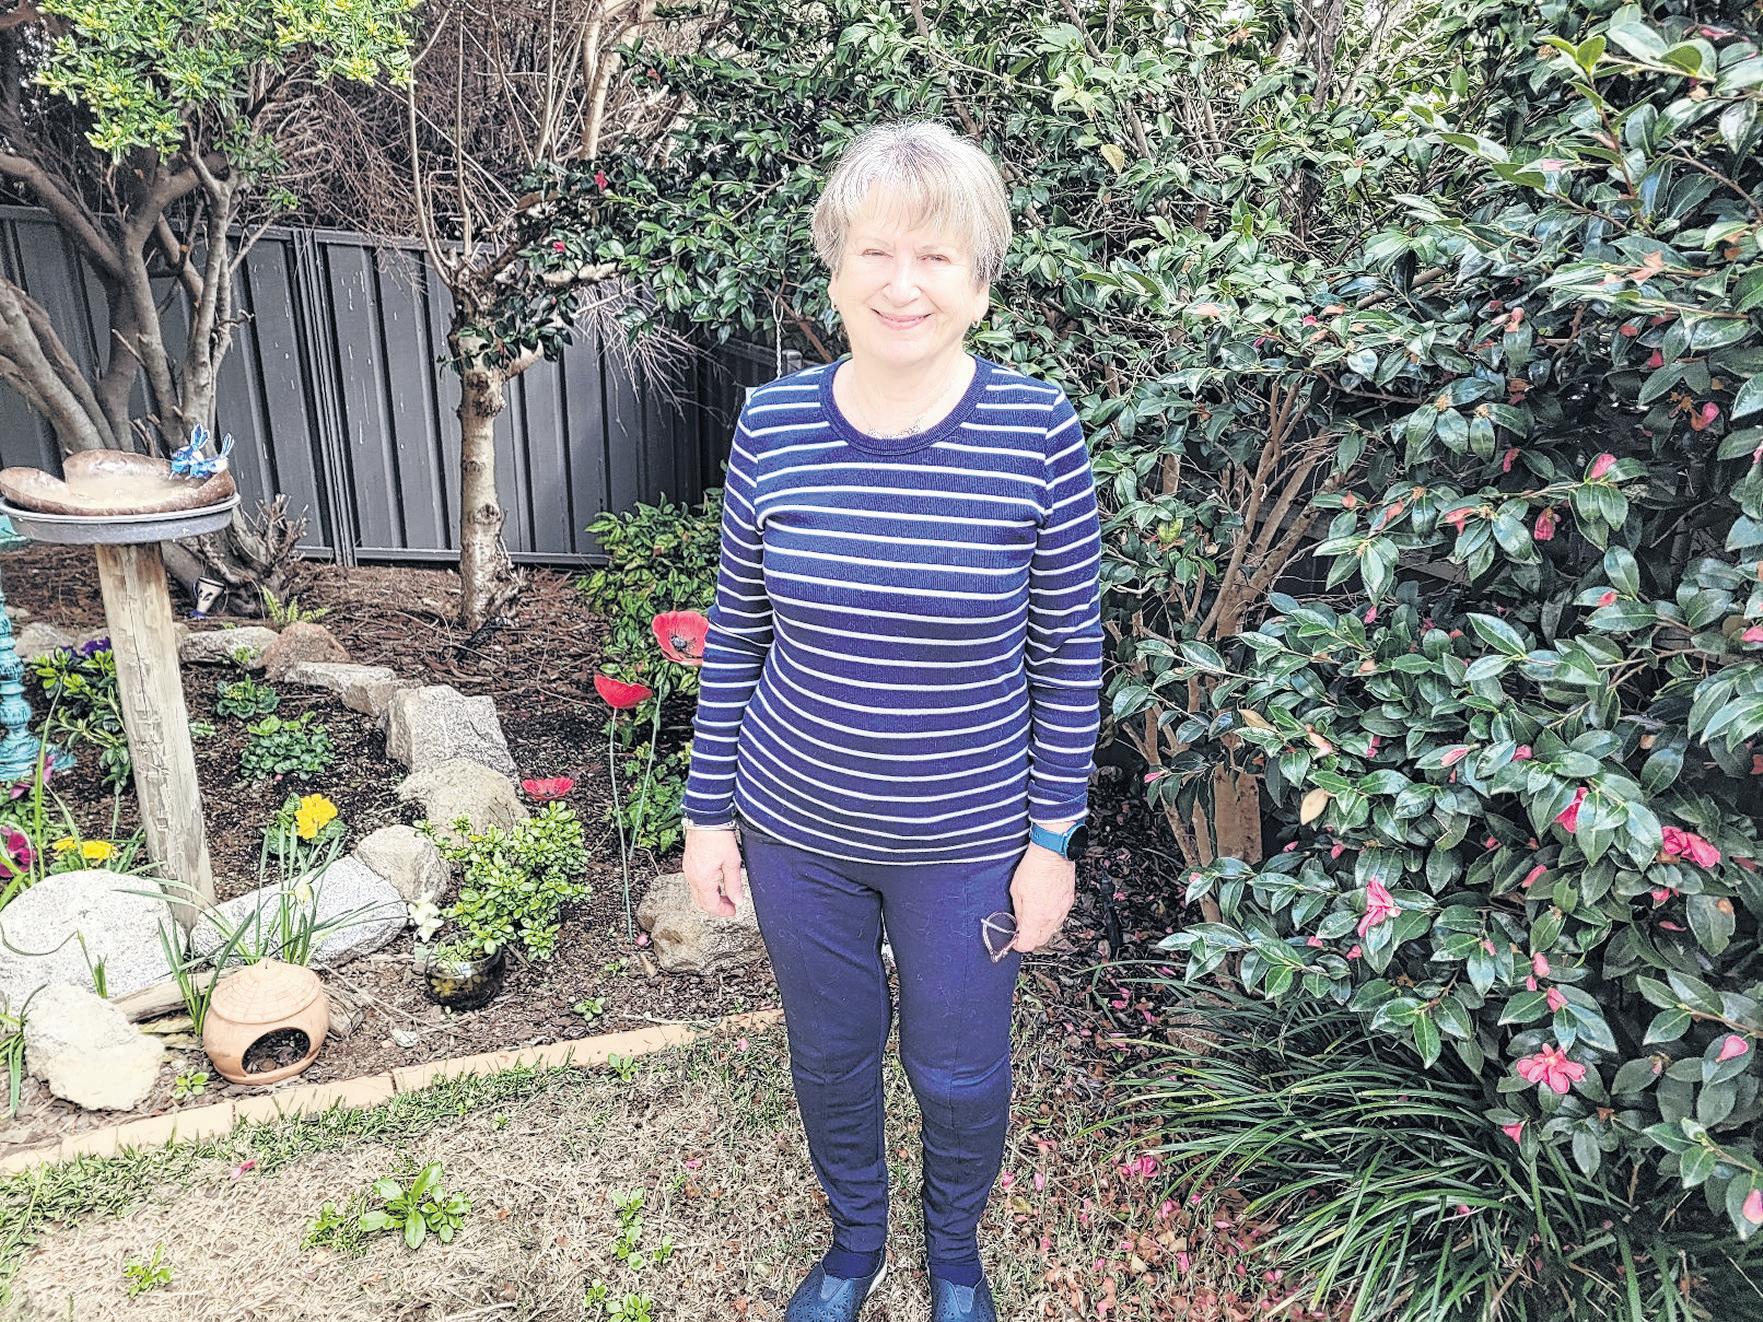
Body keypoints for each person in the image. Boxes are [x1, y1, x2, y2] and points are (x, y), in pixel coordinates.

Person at [679, 120, 1103, 1322]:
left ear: (978, 283)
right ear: (834, 270)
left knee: (956, 1070)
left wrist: (1050, 841)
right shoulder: (772, 425)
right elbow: (737, 631)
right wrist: (708, 816)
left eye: (934, 256)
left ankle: (952, 1253)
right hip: (795, 830)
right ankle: (854, 1239)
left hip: (965, 840)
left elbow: (1070, 652)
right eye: (874, 251)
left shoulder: (1036, 433)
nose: (900, 283)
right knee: (829, 1052)